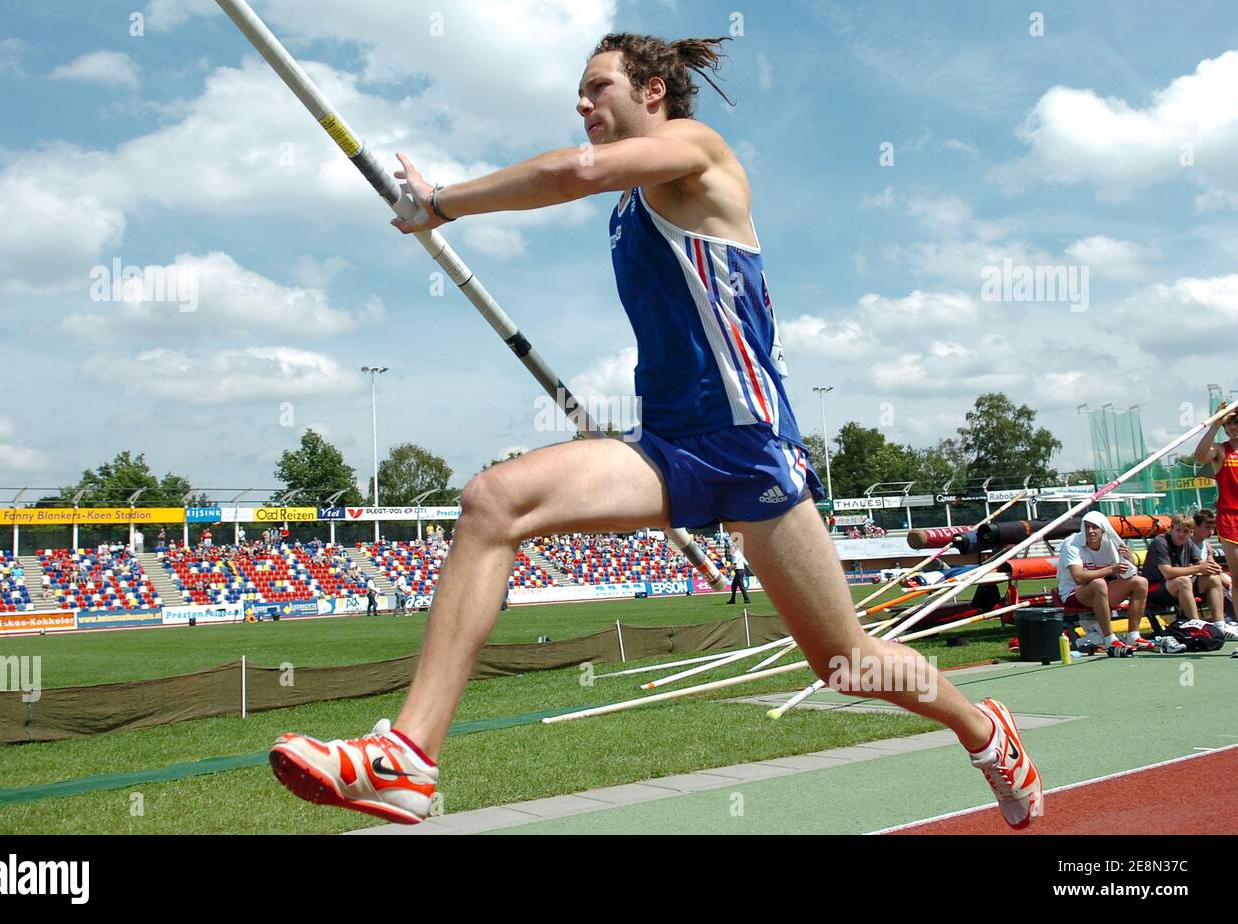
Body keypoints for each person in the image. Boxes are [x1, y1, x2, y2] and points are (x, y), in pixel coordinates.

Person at [268, 33, 1041, 830]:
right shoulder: (631, 209)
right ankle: (408, 758)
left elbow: (573, 169)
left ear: (654, 92)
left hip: (750, 448)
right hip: (669, 448)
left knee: (848, 665)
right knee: (494, 502)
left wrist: (443, 203)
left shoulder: (695, 150)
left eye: (597, 87)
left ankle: (985, 733)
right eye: (579, 91)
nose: (581, 102)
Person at [1057, 510, 1149, 654]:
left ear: (1103, 529)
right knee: (1099, 583)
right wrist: (1111, 569)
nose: (1090, 531)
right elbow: (1078, 577)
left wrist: (1129, 560)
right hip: (1072, 594)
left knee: (1141, 582)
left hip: (1099, 592)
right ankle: (1109, 639)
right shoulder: (1071, 544)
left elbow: (1127, 574)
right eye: (1087, 527)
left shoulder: (1109, 544)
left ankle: (1134, 636)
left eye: (1094, 527)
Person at [1194, 410, 1238, 592]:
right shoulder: (1221, 450)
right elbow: (1199, 456)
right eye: (1230, 423)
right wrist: (1215, 425)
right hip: (1230, 518)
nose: (1234, 427)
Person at [1189, 509, 1234, 621]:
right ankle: (1229, 617)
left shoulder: (1207, 544)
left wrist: (1224, 577)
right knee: (1218, 580)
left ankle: (1231, 616)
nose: (1211, 532)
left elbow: (1212, 563)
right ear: (1196, 526)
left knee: (1228, 580)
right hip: (1193, 580)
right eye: (1207, 527)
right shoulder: (1188, 543)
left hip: (1206, 578)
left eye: (1213, 528)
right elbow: (1194, 567)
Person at [725, 535, 750, 604]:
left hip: (739, 571)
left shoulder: (736, 554)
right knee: (734, 586)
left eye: (731, 547)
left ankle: (747, 599)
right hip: (739, 571)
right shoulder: (737, 554)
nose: (730, 549)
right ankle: (733, 600)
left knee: (741, 586)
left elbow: (734, 565)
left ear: (735, 548)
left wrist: (728, 570)